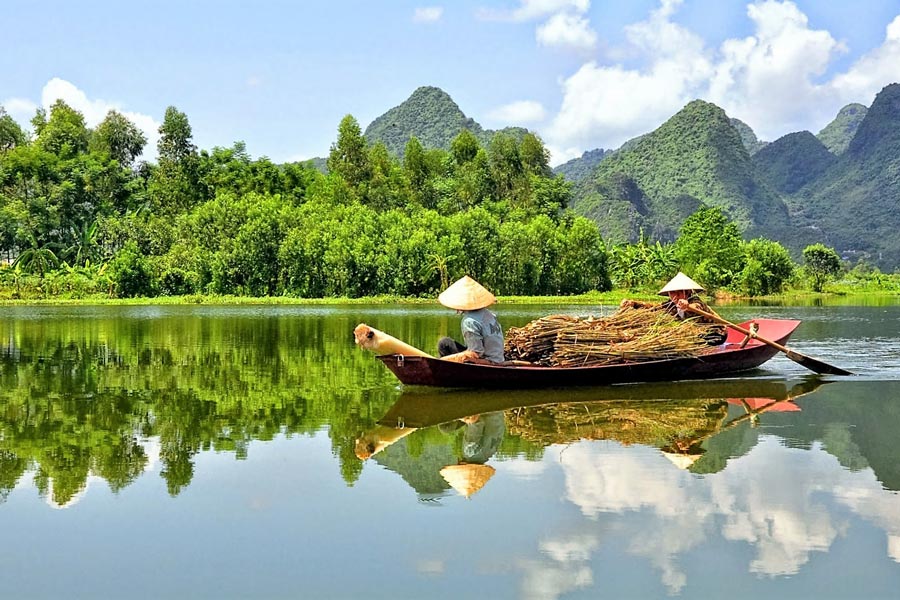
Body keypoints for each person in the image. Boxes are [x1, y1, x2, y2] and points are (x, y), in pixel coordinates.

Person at [620, 272, 727, 345]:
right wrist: (633, 303)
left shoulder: (695, 301)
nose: (675, 295)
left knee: (685, 338)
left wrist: (687, 306)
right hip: (696, 334)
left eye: (679, 292)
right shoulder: (670, 305)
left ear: (687, 292)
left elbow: (696, 307)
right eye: (672, 292)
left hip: (716, 334)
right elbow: (653, 307)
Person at [437, 275, 505, 364]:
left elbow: (476, 353)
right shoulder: (489, 314)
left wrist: (445, 359)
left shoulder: (469, 321)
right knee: (446, 343)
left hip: (486, 361)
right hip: (498, 358)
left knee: (443, 345)